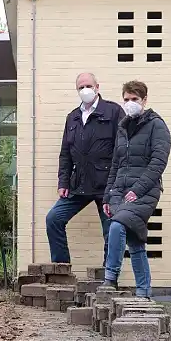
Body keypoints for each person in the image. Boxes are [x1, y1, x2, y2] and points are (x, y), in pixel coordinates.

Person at [46, 72, 125, 265]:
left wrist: (119, 184)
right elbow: (65, 153)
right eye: (81, 87)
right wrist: (63, 182)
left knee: (111, 230)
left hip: (107, 185)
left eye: (88, 86)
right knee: (53, 219)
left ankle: (109, 277)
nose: (85, 90)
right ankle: (61, 269)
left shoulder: (113, 112)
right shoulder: (72, 118)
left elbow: (123, 150)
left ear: (97, 87)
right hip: (78, 184)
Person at [102, 80, 171, 298]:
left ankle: (110, 278)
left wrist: (137, 190)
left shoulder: (157, 125)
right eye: (126, 100)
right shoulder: (123, 127)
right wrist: (107, 196)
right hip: (120, 191)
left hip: (145, 191)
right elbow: (116, 164)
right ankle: (143, 291)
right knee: (134, 238)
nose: (130, 103)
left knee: (116, 226)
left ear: (144, 100)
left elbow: (158, 163)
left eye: (134, 99)